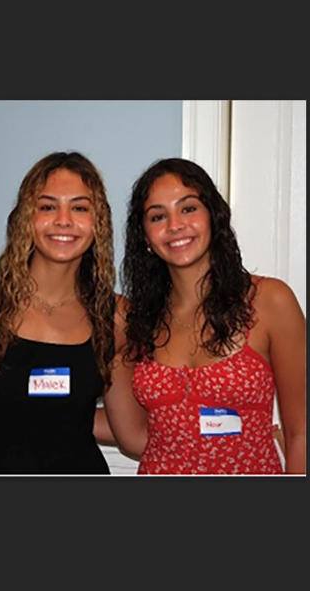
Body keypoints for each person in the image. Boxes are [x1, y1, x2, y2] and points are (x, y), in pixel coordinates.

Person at [0, 151, 143, 474]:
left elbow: (130, 432)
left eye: (80, 208)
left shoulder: (116, 315)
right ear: (26, 217)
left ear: (98, 222)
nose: (63, 220)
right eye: (47, 206)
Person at [121, 158, 305, 474]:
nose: (175, 224)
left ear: (213, 217)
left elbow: (301, 432)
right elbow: (132, 430)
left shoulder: (270, 301)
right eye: (158, 216)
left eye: (188, 208)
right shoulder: (137, 320)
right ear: (146, 238)